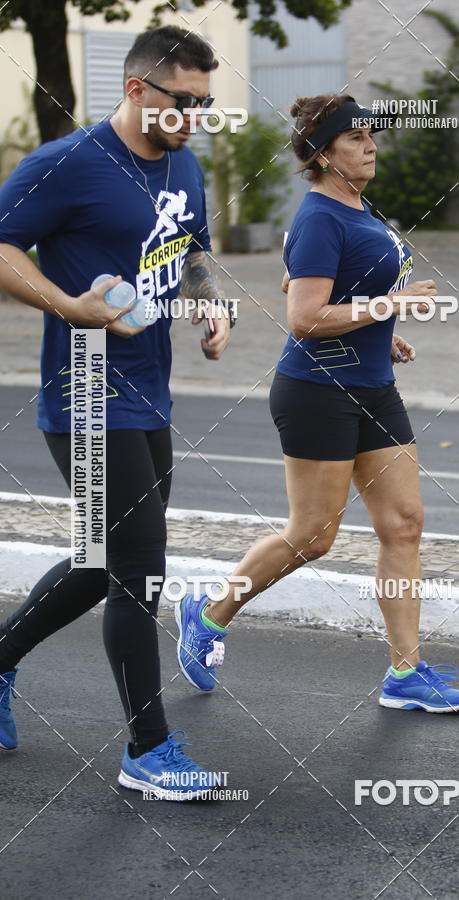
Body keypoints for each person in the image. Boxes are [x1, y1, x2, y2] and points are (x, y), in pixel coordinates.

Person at [175, 94, 459, 713]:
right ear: (323, 153)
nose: (371, 146)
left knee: (405, 523)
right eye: (356, 138)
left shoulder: (357, 209)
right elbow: (304, 316)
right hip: (318, 392)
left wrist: (379, 330)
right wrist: (391, 305)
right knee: (313, 537)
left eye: (371, 135)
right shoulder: (319, 216)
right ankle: (207, 615)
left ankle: (405, 673)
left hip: (373, 387)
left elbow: (319, 282)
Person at [0, 26, 236, 799]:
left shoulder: (184, 162)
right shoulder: (67, 163)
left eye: (205, 104)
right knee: (138, 564)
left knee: (104, 561)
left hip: (149, 392)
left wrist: (211, 304)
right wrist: (69, 305)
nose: (195, 117)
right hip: (86, 394)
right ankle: (148, 750)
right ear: (136, 89)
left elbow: (193, 252)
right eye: (184, 101)